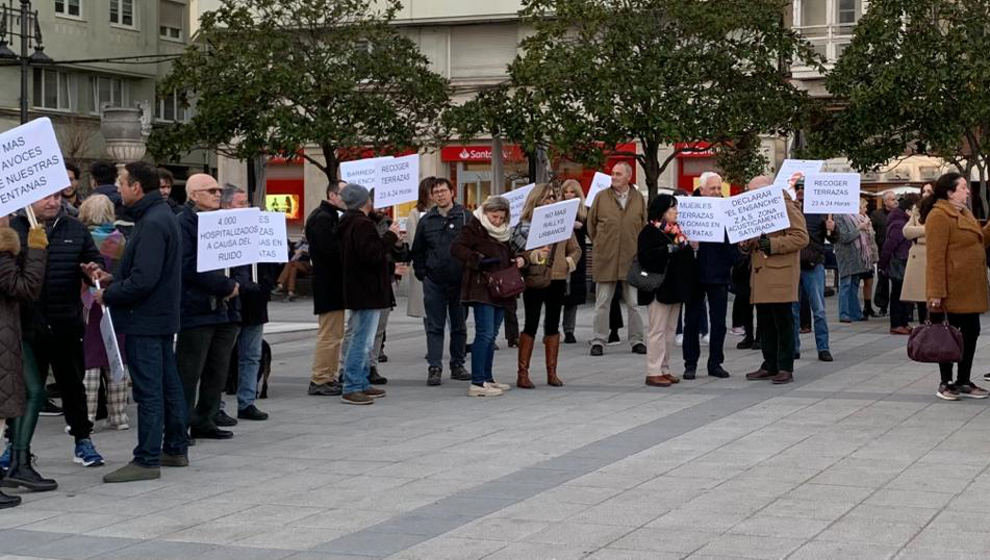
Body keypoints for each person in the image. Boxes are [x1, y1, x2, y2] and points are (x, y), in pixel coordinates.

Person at [89, 162, 188, 482]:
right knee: (168, 385)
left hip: (146, 318)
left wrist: (111, 293)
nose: (118, 188)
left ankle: (146, 458)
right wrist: (113, 277)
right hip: (159, 316)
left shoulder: (153, 222)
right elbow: (145, 272)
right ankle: (174, 447)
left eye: (121, 183)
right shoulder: (158, 216)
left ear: (136, 187)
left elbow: (144, 280)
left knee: (149, 391)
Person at [9, 193, 105, 470]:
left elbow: (93, 261)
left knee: (73, 385)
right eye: (45, 198)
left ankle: (82, 440)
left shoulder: (74, 228)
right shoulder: (14, 229)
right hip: (27, 326)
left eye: (57, 196)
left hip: (66, 322)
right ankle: (16, 447)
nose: (53, 202)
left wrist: (93, 271)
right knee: (27, 391)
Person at [175, 174, 240, 440]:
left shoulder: (223, 220)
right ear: (193, 195)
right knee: (190, 371)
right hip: (196, 306)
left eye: (218, 190)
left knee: (217, 368)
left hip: (223, 308)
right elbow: (188, 266)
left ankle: (206, 418)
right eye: (210, 190)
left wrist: (237, 285)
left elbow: (238, 256)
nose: (217, 194)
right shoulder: (184, 223)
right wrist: (223, 286)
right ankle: (180, 424)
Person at [921, 173, 990, 401]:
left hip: (968, 289)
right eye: (962, 187)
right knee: (948, 337)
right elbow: (935, 258)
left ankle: (963, 380)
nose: (967, 191)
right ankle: (946, 382)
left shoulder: (964, 213)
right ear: (950, 192)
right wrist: (936, 293)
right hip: (950, 291)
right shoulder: (939, 216)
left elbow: (978, 239)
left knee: (971, 334)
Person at [510, 183, 581, 389]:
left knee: (553, 324)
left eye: (553, 197)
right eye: (547, 197)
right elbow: (516, 252)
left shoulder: (561, 222)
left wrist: (567, 262)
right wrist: (532, 254)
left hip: (557, 277)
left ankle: (552, 372)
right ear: (536, 199)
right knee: (530, 323)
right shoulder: (524, 225)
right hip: (535, 277)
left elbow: (575, 249)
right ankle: (522, 373)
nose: (550, 200)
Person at [451, 196, 521, 397]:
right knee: (485, 333)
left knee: (492, 335)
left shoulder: (505, 232)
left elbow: (509, 252)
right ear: (486, 212)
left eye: (501, 217)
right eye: (494, 216)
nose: (497, 221)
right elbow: (456, 248)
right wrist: (478, 260)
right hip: (481, 286)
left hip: (501, 287)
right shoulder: (474, 226)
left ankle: (487, 378)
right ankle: (477, 382)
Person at [0, 214, 48, 500]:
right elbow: (25, 287)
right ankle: (19, 461)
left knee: (29, 392)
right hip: (6, 336)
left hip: (14, 335)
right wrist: (37, 249)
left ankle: (20, 460)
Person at [336, 183, 398, 405]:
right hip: (367, 289)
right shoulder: (362, 224)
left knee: (363, 338)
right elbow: (372, 255)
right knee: (362, 339)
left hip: (359, 287)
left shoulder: (349, 222)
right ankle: (352, 385)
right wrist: (390, 237)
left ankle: (360, 382)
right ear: (365, 201)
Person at [744, 175, 809, 385]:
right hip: (761, 273)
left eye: (753, 192)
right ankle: (769, 364)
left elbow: (800, 237)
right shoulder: (755, 209)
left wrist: (769, 244)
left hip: (780, 272)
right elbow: (751, 239)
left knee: (783, 321)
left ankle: (785, 366)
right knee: (765, 322)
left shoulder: (786, 206)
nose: (749, 195)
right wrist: (745, 244)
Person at [411, 178, 470, 386]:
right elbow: (417, 250)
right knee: (435, 326)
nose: (440, 195)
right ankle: (434, 366)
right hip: (434, 281)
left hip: (459, 281)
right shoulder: (427, 220)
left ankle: (458, 364)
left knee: (459, 326)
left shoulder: (465, 216)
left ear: (452, 192)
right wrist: (423, 273)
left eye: (443, 191)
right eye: (435, 192)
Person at [78, 195, 130, 431]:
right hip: (114, 303)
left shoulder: (84, 239)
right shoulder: (119, 239)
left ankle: (86, 415)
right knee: (116, 359)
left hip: (89, 307)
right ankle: (118, 416)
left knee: (90, 362)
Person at [221, 185, 272, 421]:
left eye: (247, 203)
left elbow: (273, 262)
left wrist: (265, 283)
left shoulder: (260, 229)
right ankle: (216, 404)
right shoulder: (221, 230)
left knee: (251, 355)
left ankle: (247, 401)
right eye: (241, 203)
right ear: (227, 205)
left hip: (254, 301)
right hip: (230, 301)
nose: (247, 208)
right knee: (221, 356)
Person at [587, 162, 647, 356]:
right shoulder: (601, 197)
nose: (613, 177)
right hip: (606, 257)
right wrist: (601, 243)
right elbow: (591, 225)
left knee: (633, 304)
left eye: (618, 174)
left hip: (631, 258)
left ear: (628, 176)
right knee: (602, 302)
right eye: (612, 173)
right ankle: (598, 340)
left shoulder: (638, 198)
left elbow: (643, 226)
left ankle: (637, 340)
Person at [637, 195, 695, 387]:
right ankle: (653, 370)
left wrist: (687, 249)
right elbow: (647, 257)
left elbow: (685, 259)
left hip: (674, 288)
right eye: (672, 209)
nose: (676, 212)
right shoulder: (649, 231)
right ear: (661, 211)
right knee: (657, 330)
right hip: (657, 288)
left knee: (670, 331)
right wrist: (669, 250)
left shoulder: (677, 233)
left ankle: (665, 367)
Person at [682, 172, 736, 379]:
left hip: (718, 272)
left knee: (719, 322)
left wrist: (736, 259)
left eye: (718, 188)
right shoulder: (689, 209)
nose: (716, 192)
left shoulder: (725, 210)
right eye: (712, 188)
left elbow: (731, 240)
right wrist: (689, 244)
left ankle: (715, 362)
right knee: (692, 320)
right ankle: (690, 363)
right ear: (702, 189)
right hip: (694, 273)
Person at [306, 181, 347, 397]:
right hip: (328, 283)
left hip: (332, 283)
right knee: (329, 334)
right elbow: (329, 252)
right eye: (344, 193)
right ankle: (321, 378)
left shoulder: (330, 216)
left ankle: (328, 376)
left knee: (334, 333)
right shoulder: (323, 218)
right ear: (332, 194)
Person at [793, 179, 833, 362]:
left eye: (803, 188)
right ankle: (793, 347)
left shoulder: (819, 213)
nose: (800, 191)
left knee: (819, 310)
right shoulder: (790, 210)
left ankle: (823, 348)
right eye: (797, 188)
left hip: (813, 264)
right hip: (792, 267)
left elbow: (833, 239)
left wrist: (832, 229)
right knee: (792, 310)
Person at [879, 194, 918, 335]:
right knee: (898, 293)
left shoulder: (901, 221)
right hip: (898, 261)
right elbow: (889, 245)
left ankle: (903, 322)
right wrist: (882, 264)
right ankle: (896, 324)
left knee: (903, 293)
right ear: (908, 210)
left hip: (903, 260)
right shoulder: (899, 224)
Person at [560, 180, 589, 344]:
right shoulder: (558, 210)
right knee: (558, 294)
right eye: (566, 192)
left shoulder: (584, 212)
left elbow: (591, 231)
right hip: (559, 255)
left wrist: (580, 226)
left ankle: (569, 329)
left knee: (573, 296)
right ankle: (552, 328)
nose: (569, 195)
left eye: (573, 192)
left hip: (577, 255)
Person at [900, 185, 932, 323]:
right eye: (923, 191)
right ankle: (922, 327)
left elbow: (940, 231)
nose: (925, 194)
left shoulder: (941, 210)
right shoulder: (917, 209)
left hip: (932, 254)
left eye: (929, 191)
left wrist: (918, 230)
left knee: (933, 297)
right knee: (920, 298)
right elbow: (906, 231)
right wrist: (926, 230)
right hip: (918, 256)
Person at [406, 178, 433, 322]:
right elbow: (413, 241)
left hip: (441, 266)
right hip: (424, 265)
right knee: (427, 310)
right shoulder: (415, 213)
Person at [871, 190, 896, 316]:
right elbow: (872, 231)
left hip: (896, 251)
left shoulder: (899, 214)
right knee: (883, 279)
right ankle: (882, 305)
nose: (895, 201)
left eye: (895, 199)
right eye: (892, 199)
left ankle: (900, 306)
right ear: (885, 201)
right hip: (882, 249)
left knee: (897, 279)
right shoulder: (877, 215)